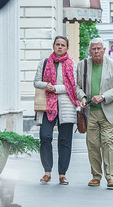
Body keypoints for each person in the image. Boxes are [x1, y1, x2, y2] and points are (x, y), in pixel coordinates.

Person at [77, 38, 113, 188]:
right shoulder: (82, 65)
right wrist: (83, 97)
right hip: (90, 112)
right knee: (92, 144)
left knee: (108, 142)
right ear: (90, 51)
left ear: (104, 50)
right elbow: (77, 87)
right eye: (93, 49)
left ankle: (111, 176)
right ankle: (96, 176)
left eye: (99, 48)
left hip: (108, 111)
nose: (96, 51)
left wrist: (103, 96)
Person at [34, 36, 80, 185]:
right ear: (53, 46)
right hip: (48, 106)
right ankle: (47, 171)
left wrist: (56, 88)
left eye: (63, 45)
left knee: (65, 141)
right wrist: (46, 85)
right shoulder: (45, 62)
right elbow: (36, 82)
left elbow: (73, 86)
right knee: (45, 136)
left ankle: (62, 174)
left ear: (67, 48)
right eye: (57, 44)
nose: (60, 47)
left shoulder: (71, 64)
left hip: (66, 106)